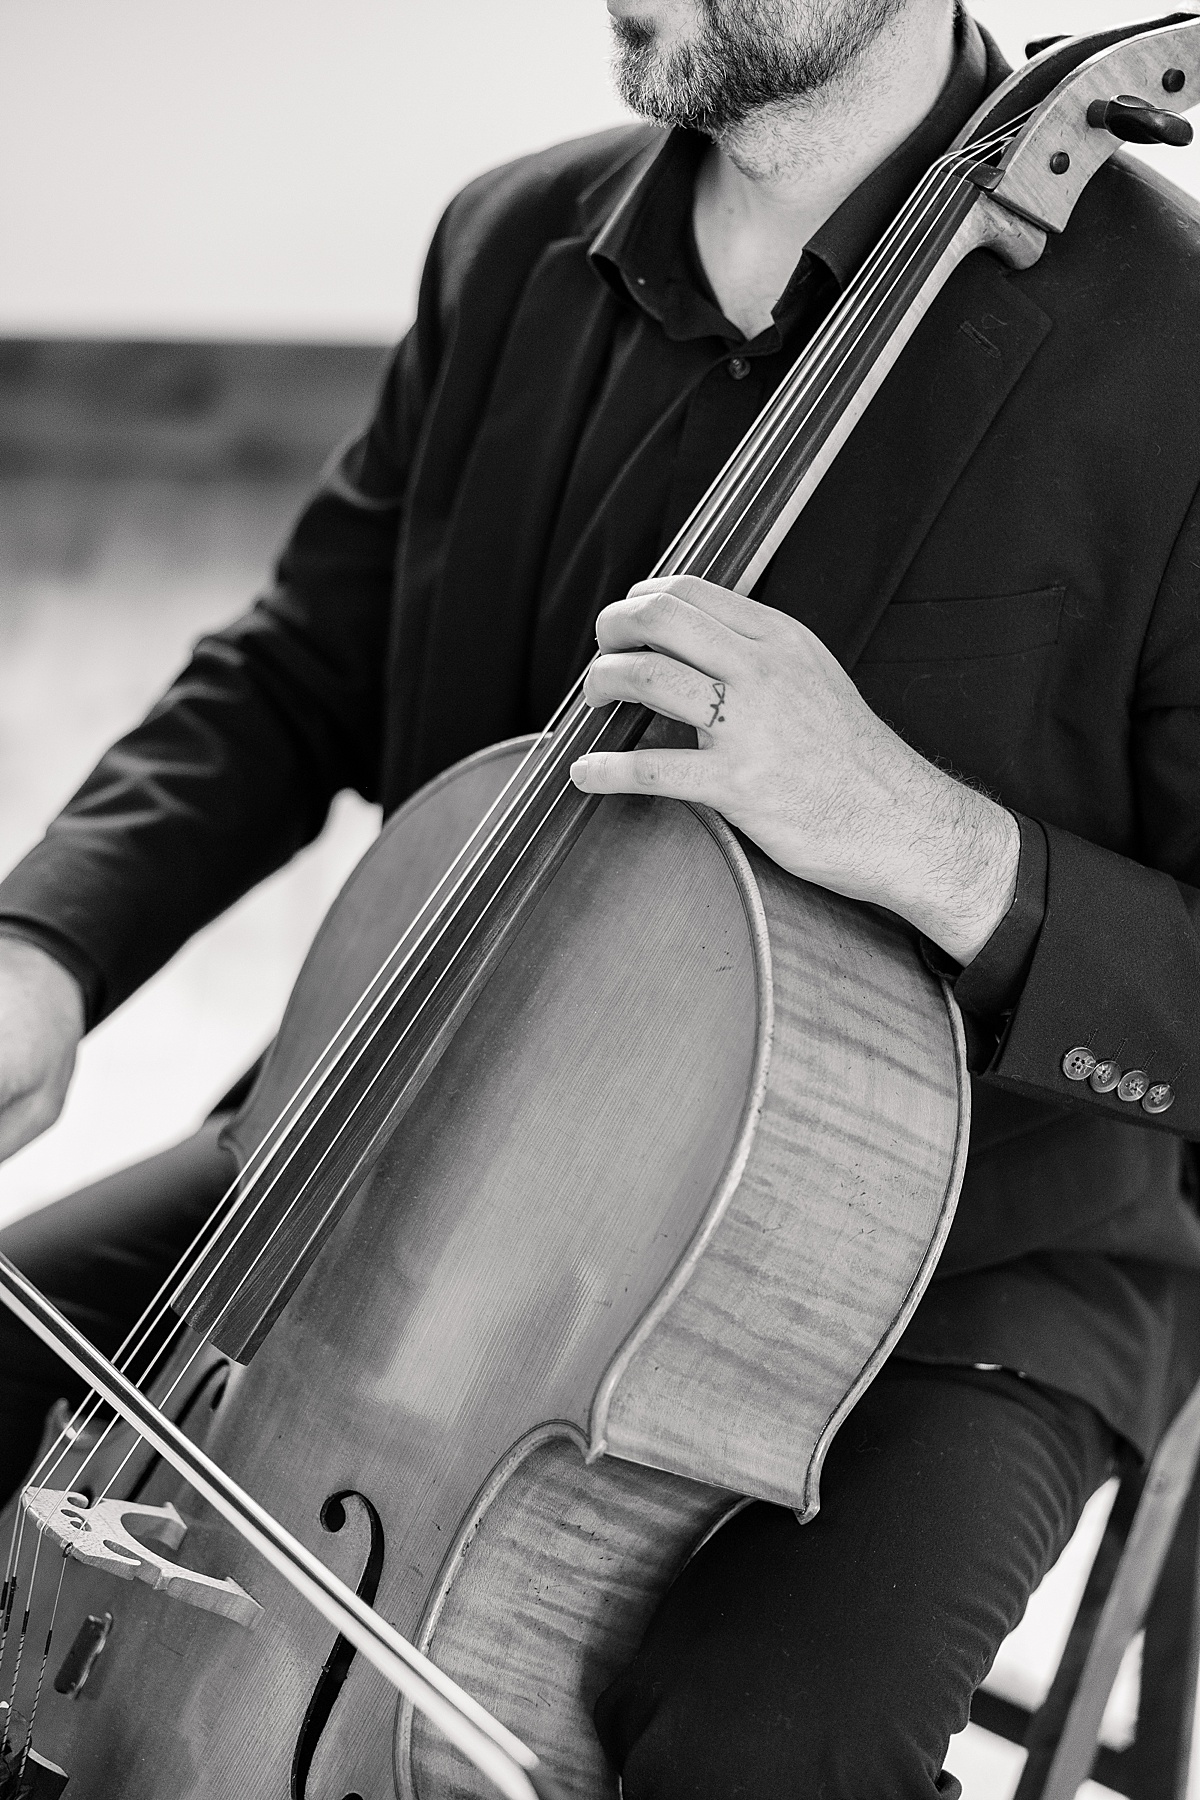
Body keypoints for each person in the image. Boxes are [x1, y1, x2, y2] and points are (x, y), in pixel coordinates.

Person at [2, 0, 1200, 1792]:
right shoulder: (515, 242)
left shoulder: (1174, 355)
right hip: (412, 1130)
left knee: (763, 1749)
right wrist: (48, 944)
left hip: (963, 1266)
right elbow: (294, 672)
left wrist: (922, 833)